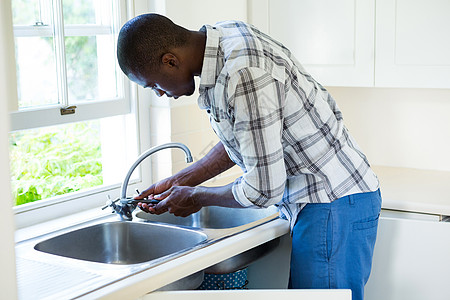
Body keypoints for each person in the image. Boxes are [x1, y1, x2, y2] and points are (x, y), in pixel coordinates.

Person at [117, 13, 381, 300]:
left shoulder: (243, 74)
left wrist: (195, 197)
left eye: (152, 85)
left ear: (170, 60)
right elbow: (248, 137)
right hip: (330, 200)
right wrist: (180, 180)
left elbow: (263, 190)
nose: (158, 93)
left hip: (332, 202)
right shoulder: (224, 40)